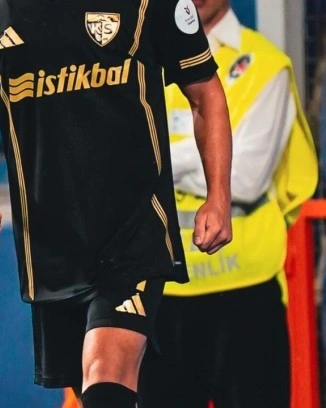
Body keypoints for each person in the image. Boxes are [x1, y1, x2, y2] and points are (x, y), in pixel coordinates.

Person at [0, 0, 233, 406]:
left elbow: (204, 92)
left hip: (134, 232)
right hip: (51, 250)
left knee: (105, 371)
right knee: (93, 389)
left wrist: (218, 195)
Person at [136, 1, 318, 407]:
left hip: (245, 292)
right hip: (158, 290)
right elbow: (117, 162)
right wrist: (210, 154)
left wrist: (161, 160)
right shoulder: (138, 61)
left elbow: (248, 178)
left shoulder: (265, 64)